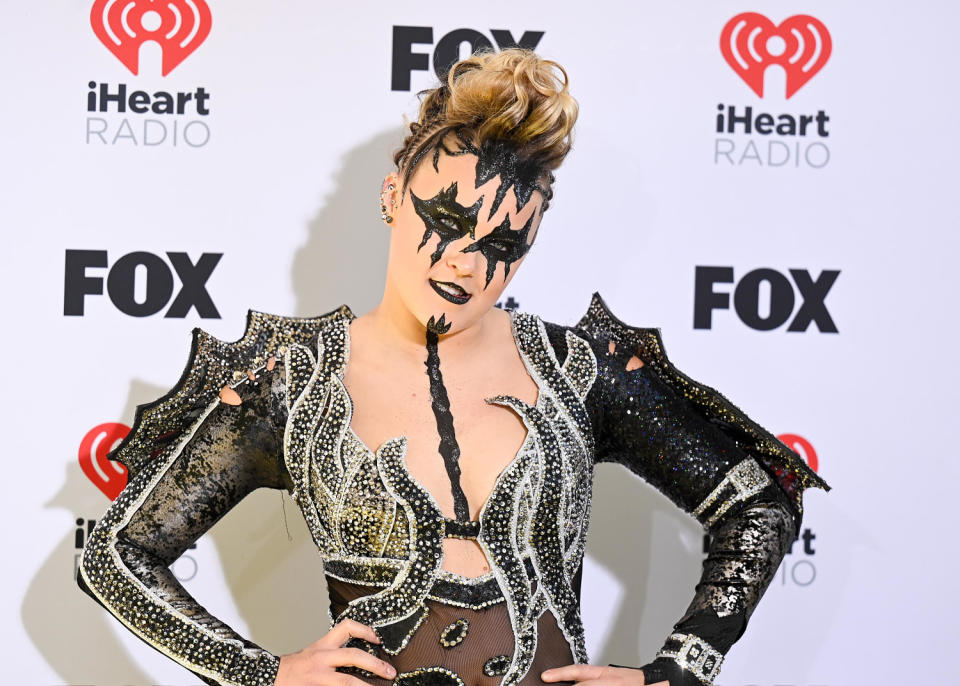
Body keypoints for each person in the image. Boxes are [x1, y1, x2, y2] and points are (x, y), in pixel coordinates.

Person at [76, 47, 830, 686]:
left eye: (503, 247)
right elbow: (117, 552)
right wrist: (263, 672)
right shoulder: (293, 380)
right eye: (446, 222)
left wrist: (677, 670)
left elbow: (760, 502)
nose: (467, 263)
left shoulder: (579, 370)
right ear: (393, 195)